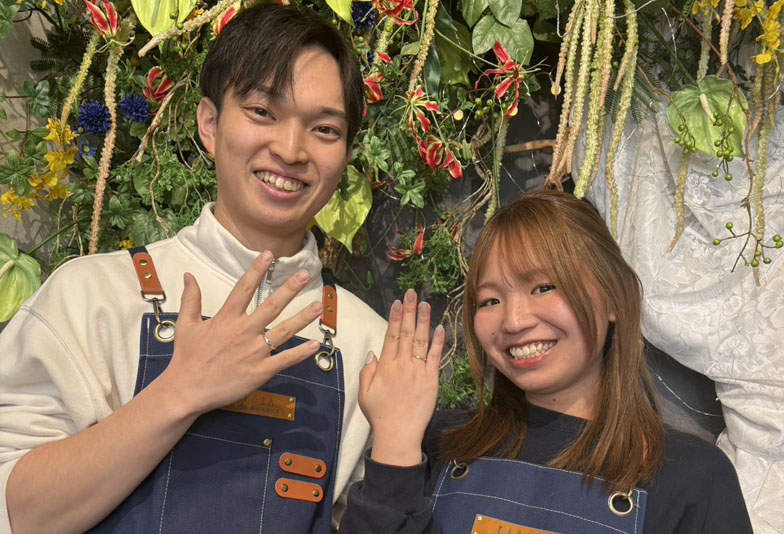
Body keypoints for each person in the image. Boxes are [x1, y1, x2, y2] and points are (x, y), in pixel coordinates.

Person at [0, 4, 387, 533]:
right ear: (209, 123)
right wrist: (178, 393)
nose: (290, 149)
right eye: (262, 111)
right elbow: (15, 510)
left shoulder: (369, 344)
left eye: (324, 128)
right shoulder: (93, 295)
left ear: (345, 155)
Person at [340, 190, 753, 534]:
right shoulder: (438, 445)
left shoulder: (692, 478)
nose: (514, 321)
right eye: (490, 300)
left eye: (543, 287)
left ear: (616, 295)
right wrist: (394, 441)